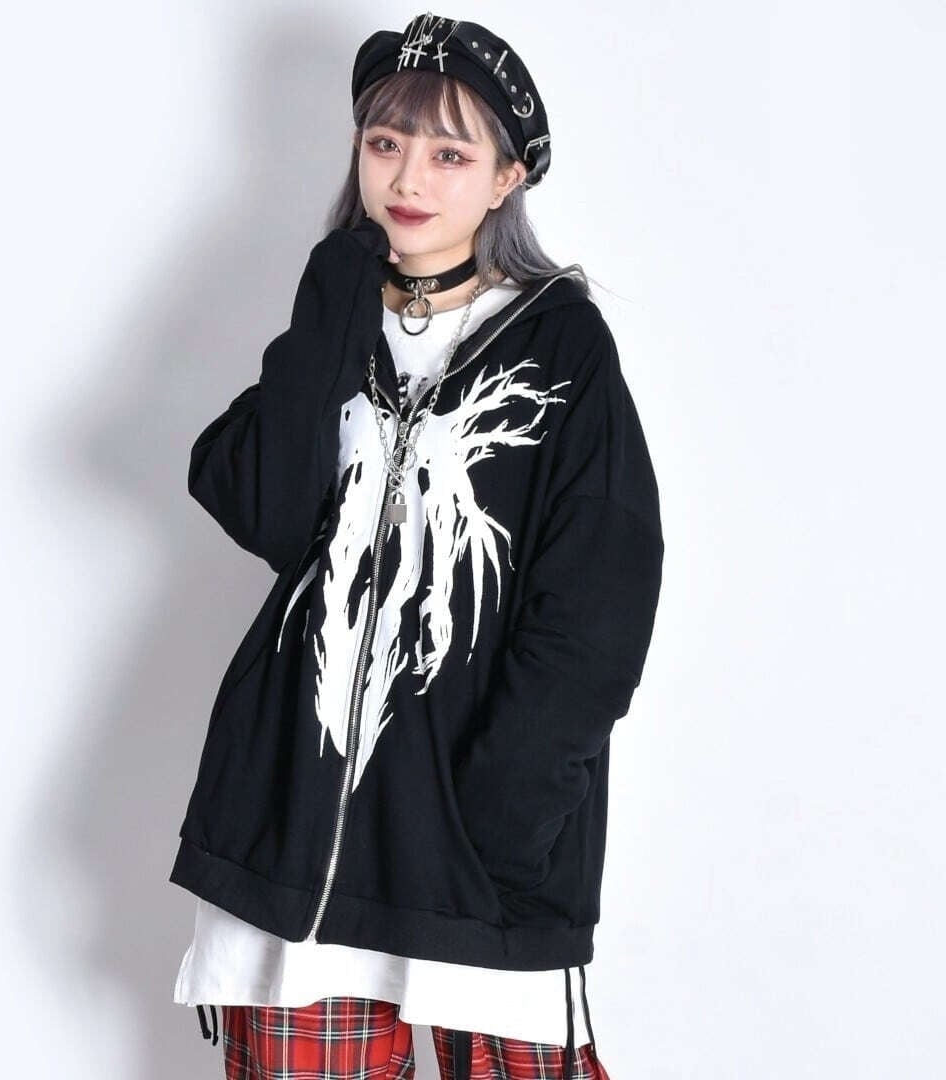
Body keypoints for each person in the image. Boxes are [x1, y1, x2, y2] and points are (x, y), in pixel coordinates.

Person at [170, 11, 664, 1080]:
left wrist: (507, 809)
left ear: (506, 179)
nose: (407, 177)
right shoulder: (339, 314)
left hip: (479, 840)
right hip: (300, 840)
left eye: (449, 153)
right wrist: (331, 304)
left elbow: (600, 603)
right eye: (386, 142)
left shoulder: (561, 343)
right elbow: (265, 511)